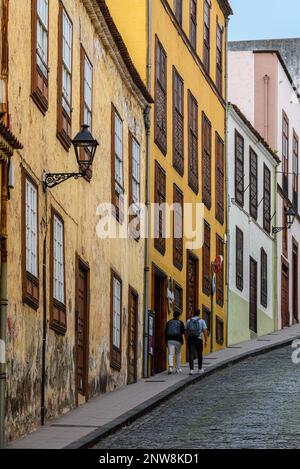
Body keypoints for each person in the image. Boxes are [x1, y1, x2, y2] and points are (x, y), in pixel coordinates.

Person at [185, 308, 208, 375]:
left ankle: (191, 370)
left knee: (191, 354)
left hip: (190, 339)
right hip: (199, 339)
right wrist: (206, 340)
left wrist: (186, 339)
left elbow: (185, 331)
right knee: (199, 354)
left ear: (193, 313)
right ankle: (199, 369)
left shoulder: (188, 321)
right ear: (199, 313)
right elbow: (205, 331)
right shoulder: (202, 321)